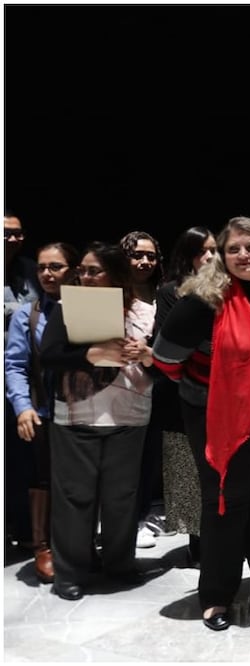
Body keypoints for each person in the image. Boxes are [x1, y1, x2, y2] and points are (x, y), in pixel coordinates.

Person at [152, 216, 250, 631]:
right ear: (221, 256)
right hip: (217, 419)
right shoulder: (202, 302)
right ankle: (217, 595)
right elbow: (165, 361)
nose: (243, 256)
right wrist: (218, 393)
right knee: (227, 500)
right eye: (233, 249)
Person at [39, 242, 156, 601]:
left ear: (116, 274)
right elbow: (48, 357)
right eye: (83, 271)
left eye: (94, 271)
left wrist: (148, 355)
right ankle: (71, 572)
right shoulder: (66, 308)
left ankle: (119, 564)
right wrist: (88, 355)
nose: (85, 277)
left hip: (129, 415)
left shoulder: (146, 313)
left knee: (122, 497)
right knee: (75, 496)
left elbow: (165, 367)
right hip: (77, 416)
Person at [4, 241, 80, 583]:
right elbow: (15, 365)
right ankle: (42, 546)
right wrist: (22, 407)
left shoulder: (87, 308)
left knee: (79, 481)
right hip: (46, 409)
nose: (47, 274)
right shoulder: (28, 312)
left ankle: (77, 544)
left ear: (74, 270)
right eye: (42, 268)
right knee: (43, 477)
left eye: (56, 267)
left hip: (84, 409)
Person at [154, 226, 218, 565]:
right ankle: (197, 540)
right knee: (188, 470)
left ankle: (218, 540)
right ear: (187, 255)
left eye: (213, 250)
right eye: (200, 250)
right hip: (182, 394)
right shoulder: (170, 292)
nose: (208, 257)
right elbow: (166, 344)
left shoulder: (227, 291)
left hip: (219, 397)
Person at [120, 230, 169, 548]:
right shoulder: (112, 294)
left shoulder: (163, 295)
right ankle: (114, 523)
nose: (145, 261)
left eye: (151, 255)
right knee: (120, 463)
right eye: (137, 255)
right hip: (116, 390)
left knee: (146, 460)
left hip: (155, 389)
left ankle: (138, 520)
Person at [3, 211, 42, 550]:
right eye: (6, 233)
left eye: (18, 233)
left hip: (23, 379)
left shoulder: (31, 271)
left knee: (21, 457)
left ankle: (27, 530)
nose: (13, 239)